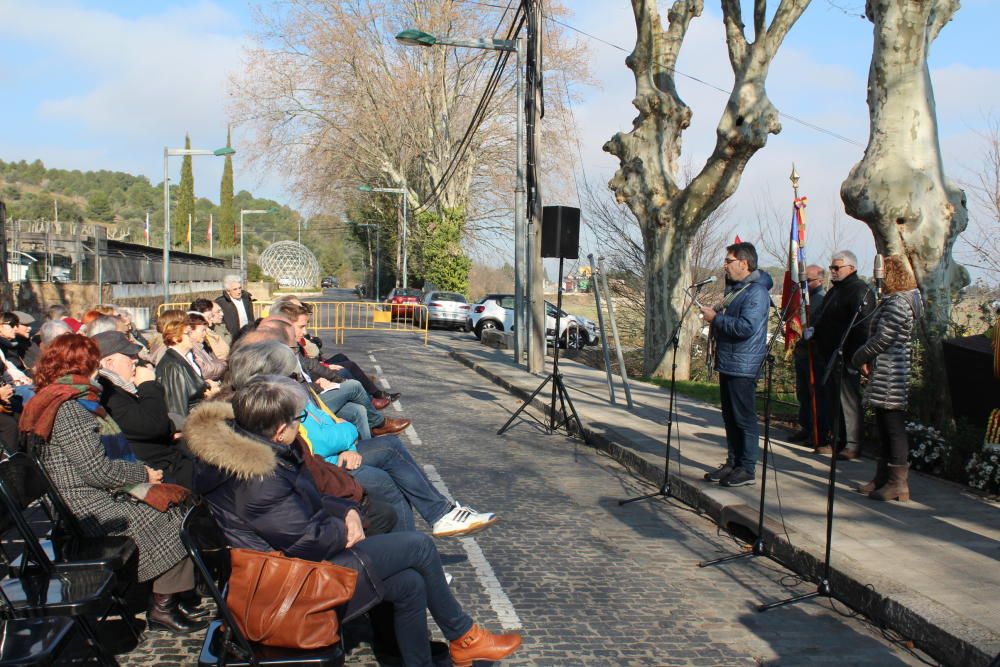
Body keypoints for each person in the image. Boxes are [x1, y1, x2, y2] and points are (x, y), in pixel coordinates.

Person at [185, 376, 522, 667]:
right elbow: (310, 541)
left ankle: (424, 658)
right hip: (290, 585)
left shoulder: (257, 452)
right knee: (419, 546)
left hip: (292, 567)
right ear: (279, 429)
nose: (301, 425)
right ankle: (464, 636)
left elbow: (309, 500)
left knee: (410, 583)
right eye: (298, 419)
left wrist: (349, 511)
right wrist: (346, 527)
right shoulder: (257, 478)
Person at [19, 334, 207, 634]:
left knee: (176, 504)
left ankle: (174, 595)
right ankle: (163, 606)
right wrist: (143, 475)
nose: (98, 370)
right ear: (83, 366)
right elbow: (97, 471)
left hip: (89, 495)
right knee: (171, 516)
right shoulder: (69, 408)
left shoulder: (68, 398)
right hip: (85, 505)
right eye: (94, 364)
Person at [225, 340, 497, 537]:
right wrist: (346, 439)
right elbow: (319, 442)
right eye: (290, 373)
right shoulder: (277, 403)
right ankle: (416, 546)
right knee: (384, 479)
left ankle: (439, 517)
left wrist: (346, 441)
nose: (296, 377)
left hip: (332, 457)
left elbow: (331, 425)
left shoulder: (285, 393)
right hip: (324, 466)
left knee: (390, 446)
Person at [701, 242, 774, 487]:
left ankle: (747, 468)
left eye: (728, 261)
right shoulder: (738, 289)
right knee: (730, 417)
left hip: (744, 364)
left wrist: (716, 319)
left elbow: (746, 327)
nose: (725, 265)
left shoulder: (756, 292)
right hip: (729, 360)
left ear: (744, 263)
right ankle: (733, 463)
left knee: (744, 418)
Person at [851, 256, 923, 501]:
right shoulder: (895, 301)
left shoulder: (898, 303)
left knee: (893, 427)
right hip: (886, 369)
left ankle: (898, 483)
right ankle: (882, 477)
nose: (877, 278)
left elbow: (884, 338)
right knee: (883, 425)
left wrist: (859, 356)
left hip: (892, 372)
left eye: (881, 274)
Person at [94, 331, 195, 488]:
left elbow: (156, 422)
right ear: (109, 363)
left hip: (167, 463)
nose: (135, 360)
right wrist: (147, 385)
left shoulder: (118, 389)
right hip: (160, 473)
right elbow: (154, 426)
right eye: (129, 356)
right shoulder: (109, 395)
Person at [808, 250, 876, 459]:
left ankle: (852, 444)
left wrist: (858, 356)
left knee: (848, 401)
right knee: (833, 401)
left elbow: (864, 326)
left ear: (851, 268)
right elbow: (823, 316)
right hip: (829, 354)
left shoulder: (860, 290)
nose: (833, 271)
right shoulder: (835, 291)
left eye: (837, 268)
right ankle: (836, 439)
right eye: (832, 267)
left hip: (848, 355)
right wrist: (814, 330)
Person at [789, 265, 829, 445]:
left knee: (816, 395)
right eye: (802, 281)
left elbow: (817, 324)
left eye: (808, 281)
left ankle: (818, 432)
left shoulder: (820, 299)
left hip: (814, 353)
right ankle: (806, 427)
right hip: (802, 353)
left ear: (820, 280)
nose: (804, 284)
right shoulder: (803, 298)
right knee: (803, 393)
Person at [155, 310, 216, 422]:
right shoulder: (172, 366)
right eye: (188, 333)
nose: (192, 336)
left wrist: (207, 387)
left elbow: (191, 387)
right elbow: (177, 412)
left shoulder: (184, 358)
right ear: (175, 338)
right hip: (193, 425)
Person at [186, 312, 227, 381]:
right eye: (203, 330)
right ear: (191, 331)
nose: (205, 334)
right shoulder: (190, 349)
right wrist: (225, 364)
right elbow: (204, 371)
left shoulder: (202, 345)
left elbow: (213, 361)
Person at [215, 274, 255, 339]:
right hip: (231, 338)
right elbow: (219, 323)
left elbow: (251, 318)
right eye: (235, 289)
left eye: (239, 288)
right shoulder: (220, 303)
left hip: (247, 336)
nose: (239, 291)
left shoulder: (246, 298)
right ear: (228, 291)